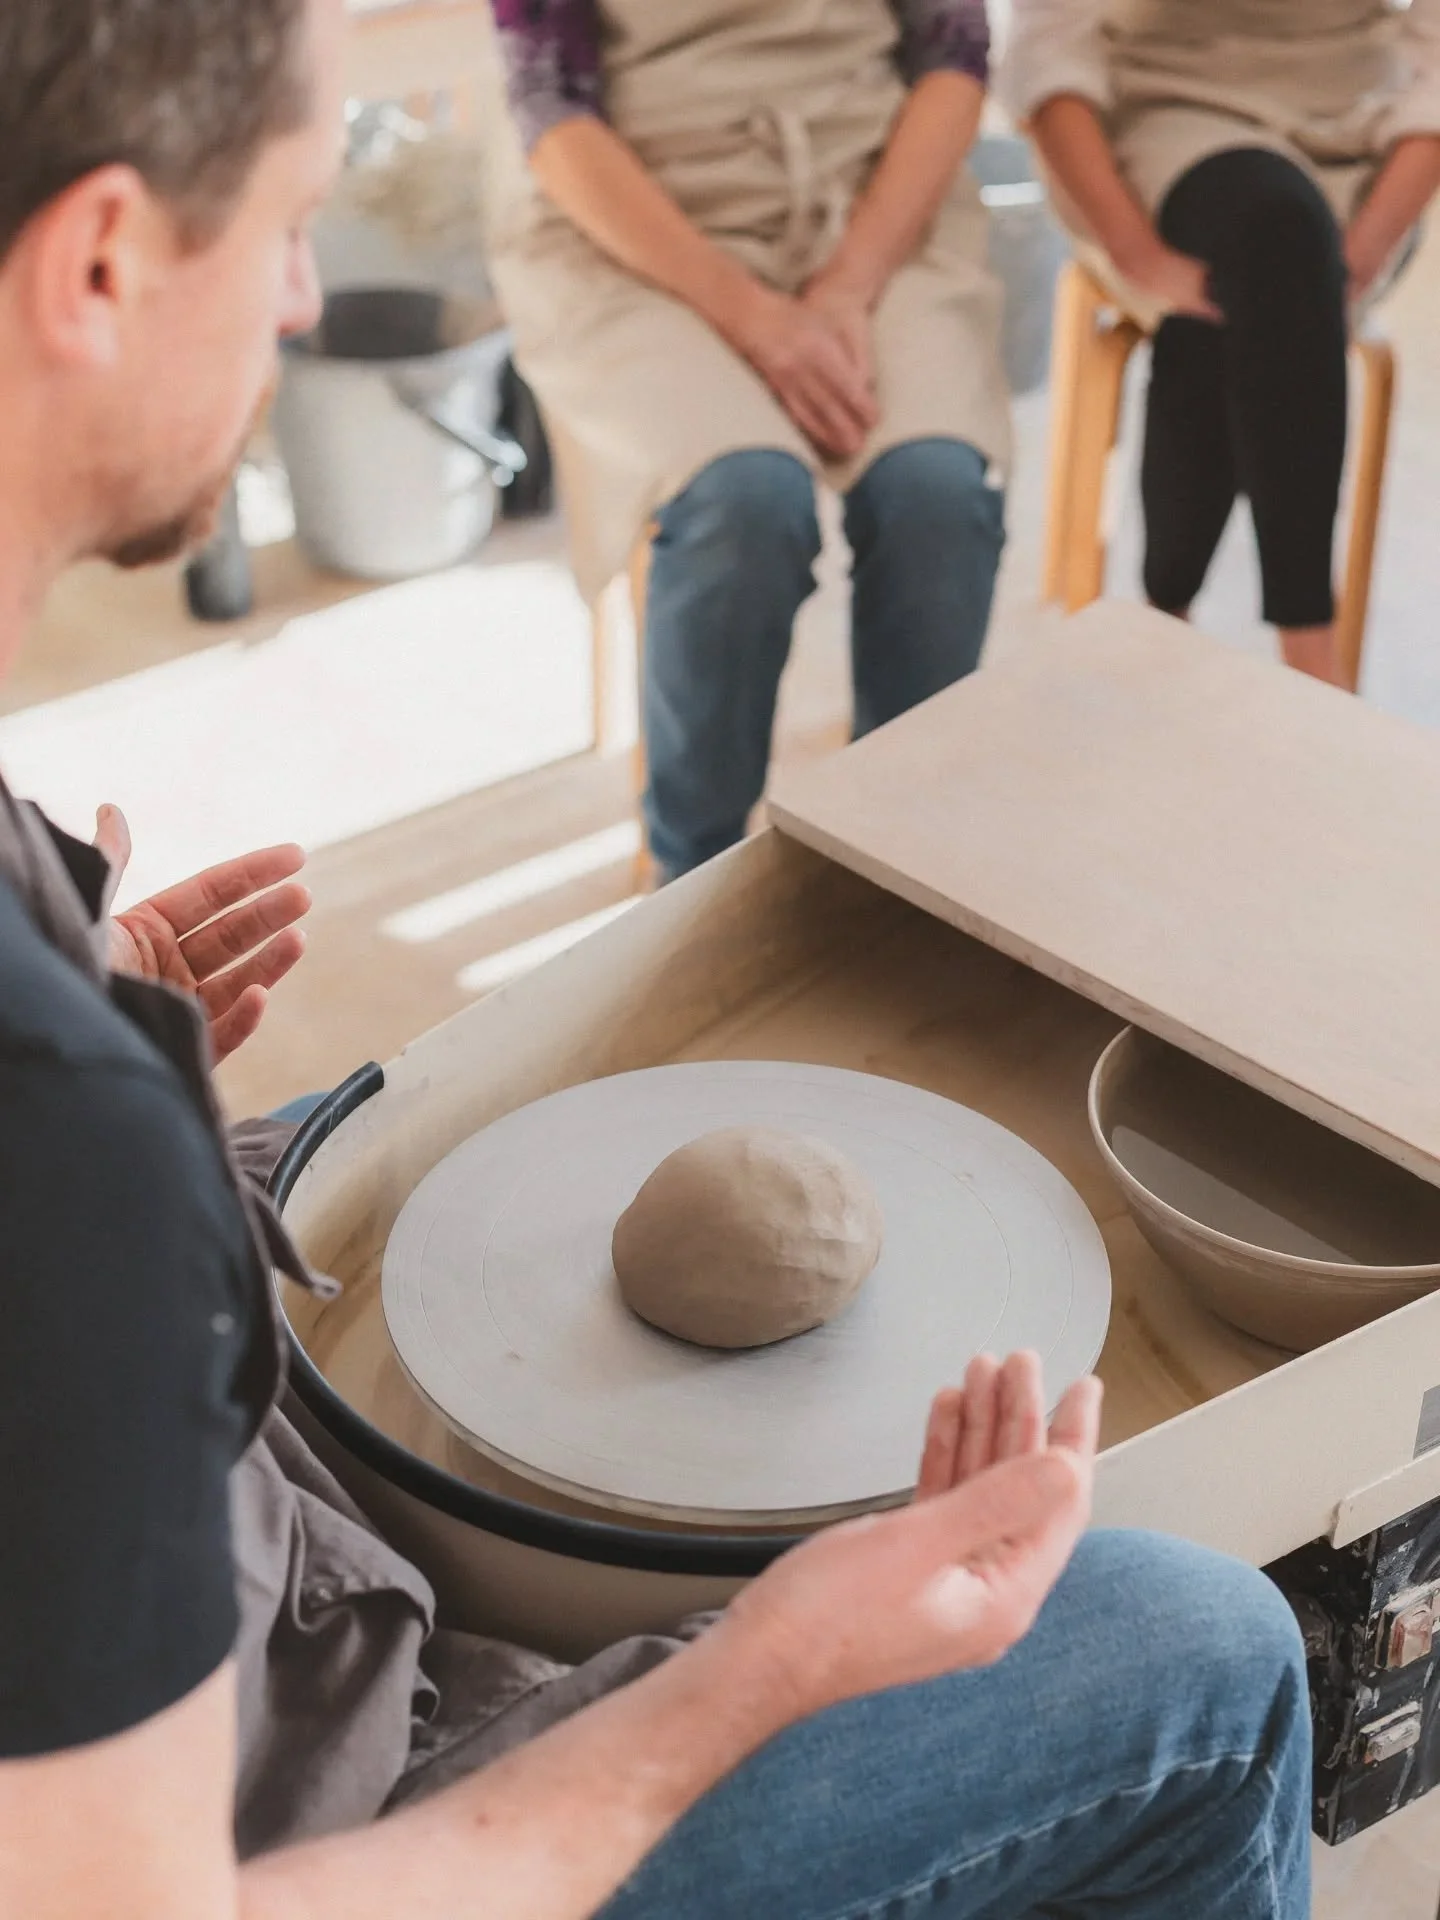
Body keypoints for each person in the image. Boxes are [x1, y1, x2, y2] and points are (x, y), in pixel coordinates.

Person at [0, 4, 1314, 1916]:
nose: (300, 300)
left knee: (929, 494)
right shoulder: (68, 1148)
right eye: (290, 224)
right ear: (103, 261)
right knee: (1208, 1655)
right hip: (354, 1802)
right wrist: (776, 1662)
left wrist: (90, 990)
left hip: (224, 1557)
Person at [481, 0, 1011, 881]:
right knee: (743, 502)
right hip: (637, 228)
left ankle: (898, 881)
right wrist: (757, 320)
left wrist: (848, 284)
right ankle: (688, 886)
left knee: (938, 493)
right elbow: (551, 108)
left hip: (867, 208)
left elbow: (955, 55)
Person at [1001, 0, 1440, 686]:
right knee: (1275, 228)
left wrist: (1365, 251)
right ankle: (1312, 659)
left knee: (1261, 280)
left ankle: (1164, 614)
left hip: (1363, 136)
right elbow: (1049, 50)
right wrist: (1135, 251)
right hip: (1170, 114)